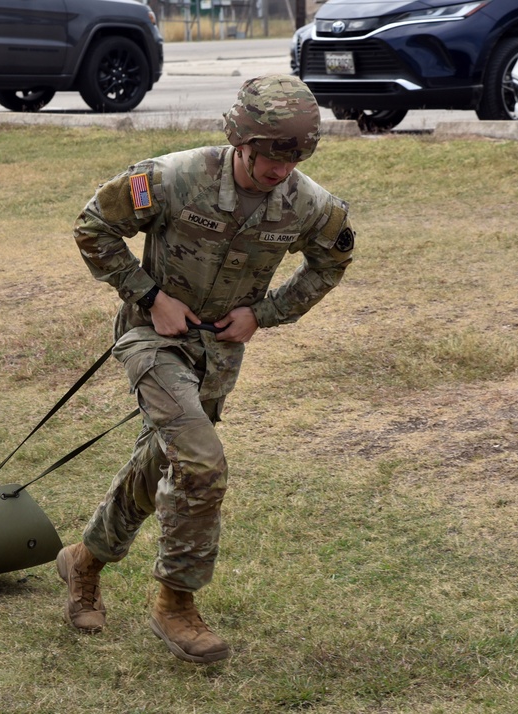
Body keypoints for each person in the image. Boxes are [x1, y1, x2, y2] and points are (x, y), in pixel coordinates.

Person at [57, 74, 355, 664]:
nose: (280, 169)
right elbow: (94, 225)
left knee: (164, 459)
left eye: (295, 156)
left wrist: (264, 313)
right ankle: (176, 604)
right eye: (271, 154)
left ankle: (85, 561)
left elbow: (331, 261)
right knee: (200, 461)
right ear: (240, 138)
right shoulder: (175, 177)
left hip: (218, 354)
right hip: (152, 337)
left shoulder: (311, 205)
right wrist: (149, 296)